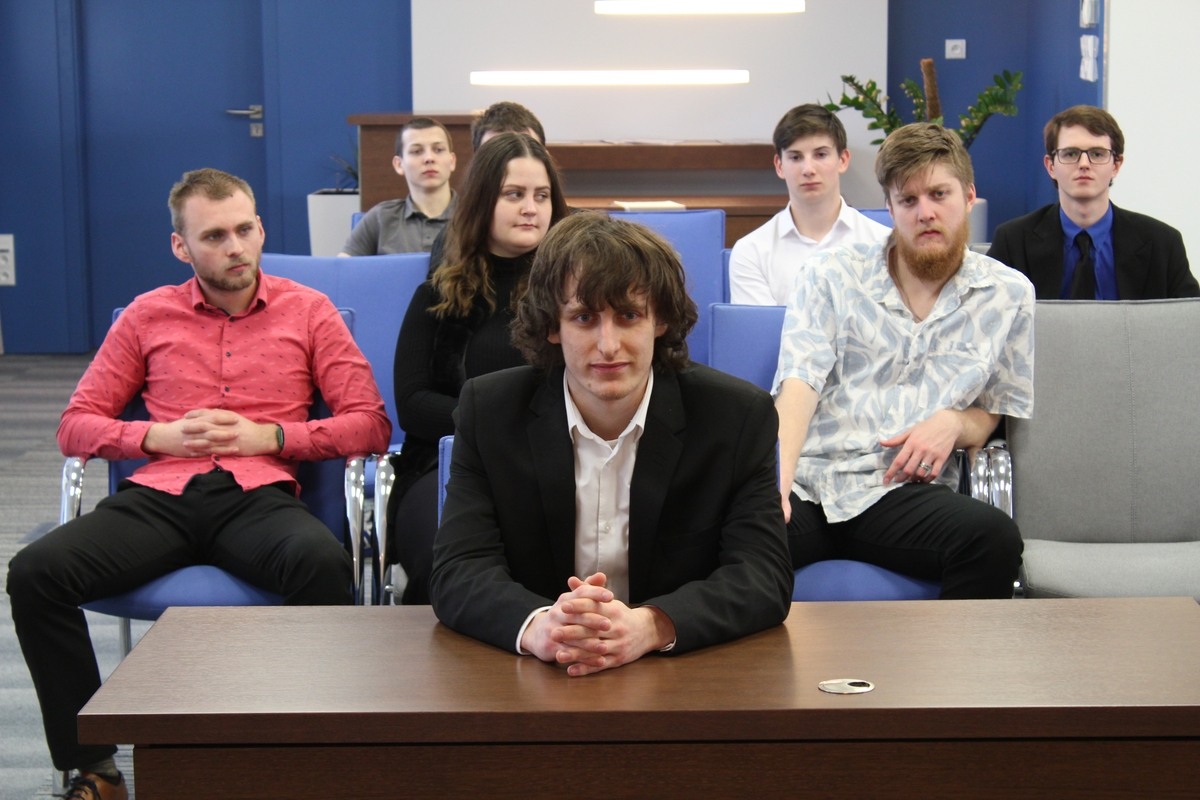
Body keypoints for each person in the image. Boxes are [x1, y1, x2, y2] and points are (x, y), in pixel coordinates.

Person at [6, 168, 391, 800]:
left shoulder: (309, 311)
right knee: (34, 574)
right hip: (161, 496)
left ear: (261, 229)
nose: (235, 247)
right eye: (214, 236)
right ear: (181, 246)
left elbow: (370, 424)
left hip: (259, 496)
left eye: (244, 230)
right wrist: (156, 437)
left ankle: (298, 761)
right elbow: (75, 425)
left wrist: (270, 437)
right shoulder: (147, 315)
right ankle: (95, 769)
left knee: (323, 565)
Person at [429, 212, 793, 675]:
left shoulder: (736, 417)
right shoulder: (490, 411)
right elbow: (459, 569)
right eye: (584, 318)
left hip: (678, 675)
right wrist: (540, 626)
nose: (608, 345)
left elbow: (762, 575)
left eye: (628, 316)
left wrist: (653, 625)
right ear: (552, 326)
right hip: (539, 674)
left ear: (660, 320)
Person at [775, 123, 1033, 600]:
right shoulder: (830, 275)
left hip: (903, 494)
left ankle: (954, 654)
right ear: (890, 208)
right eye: (908, 200)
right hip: (812, 483)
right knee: (717, 539)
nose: (925, 212)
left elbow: (995, 409)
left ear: (969, 197)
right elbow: (799, 381)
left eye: (939, 194)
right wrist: (777, 483)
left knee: (993, 539)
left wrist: (954, 423)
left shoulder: (1008, 295)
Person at [388, 132, 570, 604]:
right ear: (483, 201)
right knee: (443, 565)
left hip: (552, 466)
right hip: (445, 465)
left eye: (542, 196)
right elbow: (413, 404)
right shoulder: (438, 294)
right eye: (514, 194)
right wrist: (497, 424)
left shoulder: (572, 297)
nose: (530, 208)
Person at [988, 105, 1199, 299]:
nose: (1084, 164)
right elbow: (989, 318)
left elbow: (1188, 320)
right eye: (1070, 154)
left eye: (1097, 154)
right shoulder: (1013, 242)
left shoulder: (1162, 244)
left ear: (1116, 165)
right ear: (1051, 166)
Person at [729, 103, 890, 305]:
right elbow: (761, 326)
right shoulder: (751, 251)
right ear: (779, 166)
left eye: (820, 155)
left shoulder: (884, 245)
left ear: (842, 160)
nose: (808, 169)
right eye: (796, 157)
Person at [427, 101, 549, 271]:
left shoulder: (575, 235)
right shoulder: (453, 238)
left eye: (526, 148)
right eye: (494, 154)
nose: (530, 209)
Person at [339, 116, 457, 256]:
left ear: (452, 161)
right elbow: (343, 267)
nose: (429, 158)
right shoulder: (380, 218)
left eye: (438, 150)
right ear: (399, 164)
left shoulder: (475, 216)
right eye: (416, 151)